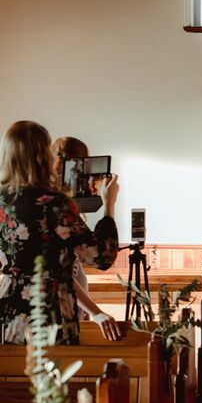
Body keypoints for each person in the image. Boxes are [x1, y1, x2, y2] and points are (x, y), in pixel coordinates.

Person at [0, 121, 119, 345]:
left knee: (8, 377)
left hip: (7, 305)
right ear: (42, 155)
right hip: (49, 309)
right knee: (53, 378)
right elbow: (102, 257)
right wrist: (109, 206)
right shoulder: (54, 204)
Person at [51, 136, 121, 341]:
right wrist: (109, 204)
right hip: (64, 306)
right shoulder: (57, 208)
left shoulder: (59, 203)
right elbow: (102, 257)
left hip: (74, 301)